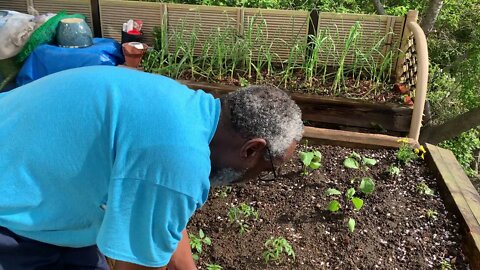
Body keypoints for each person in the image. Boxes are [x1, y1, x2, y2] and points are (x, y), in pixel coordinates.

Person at [0, 66, 303, 270]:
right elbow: (136, 264)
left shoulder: (185, 110)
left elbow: (166, 223)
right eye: (268, 169)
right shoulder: (180, 158)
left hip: (47, 196)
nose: (257, 178)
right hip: (14, 214)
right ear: (252, 149)